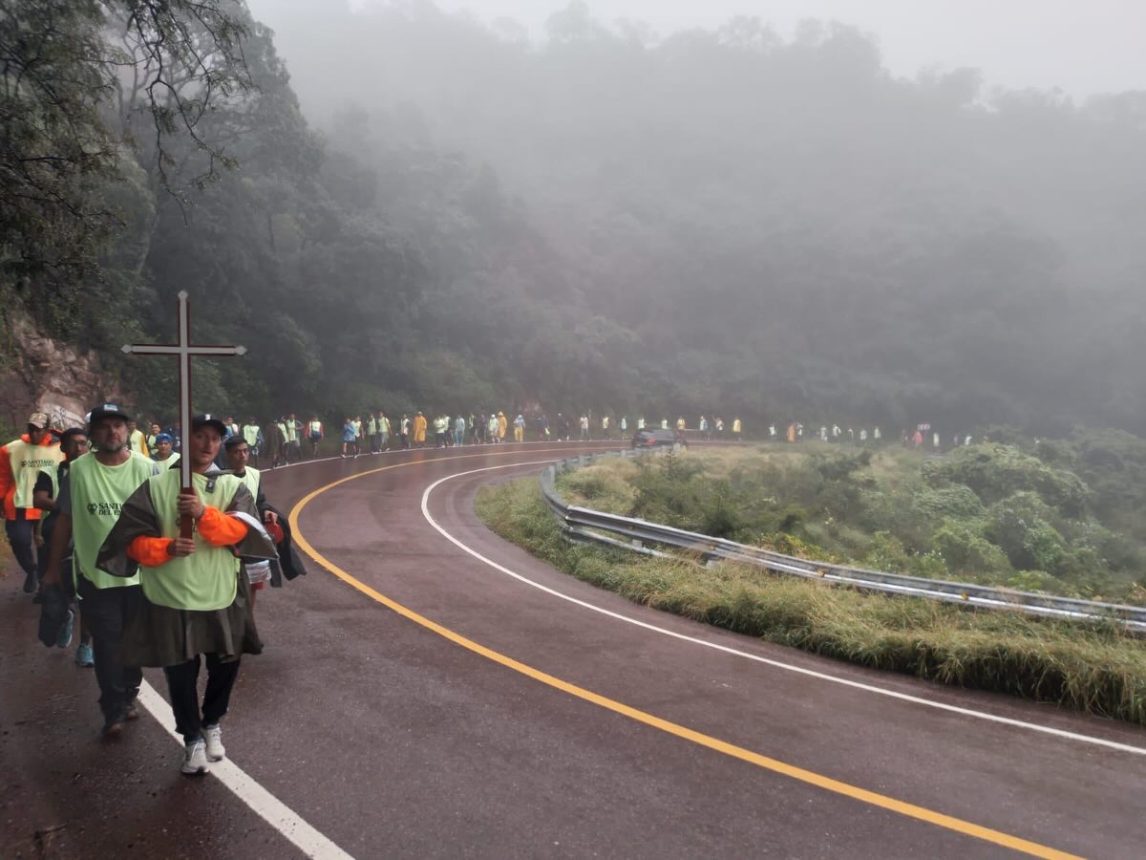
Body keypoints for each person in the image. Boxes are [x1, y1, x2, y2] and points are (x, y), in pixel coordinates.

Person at [98, 414, 275, 775]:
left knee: (226, 663)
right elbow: (130, 543)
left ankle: (211, 722)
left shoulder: (233, 486)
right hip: (171, 596)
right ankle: (192, 739)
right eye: (200, 436)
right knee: (180, 672)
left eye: (214, 438)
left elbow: (239, 533)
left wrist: (202, 513)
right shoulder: (156, 486)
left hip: (221, 591)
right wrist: (165, 548)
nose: (208, 444)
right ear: (185, 439)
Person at [41, 404, 158, 736]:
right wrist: (52, 569)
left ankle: (130, 692)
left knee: (134, 644)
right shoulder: (78, 471)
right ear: (92, 434)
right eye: (104, 426)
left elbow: (163, 517)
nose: (112, 432)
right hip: (96, 578)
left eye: (118, 425)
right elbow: (64, 521)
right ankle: (113, 708)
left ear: (128, 430)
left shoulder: (147, 469)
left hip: (140, 577)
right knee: (106, 645)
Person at [33, 427, 92, 663]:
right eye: (74, 443)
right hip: (58, 534)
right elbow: (39, 499)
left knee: (88, 596)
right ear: (63, 447)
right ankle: (64, 614)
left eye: (83, 443)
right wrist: (66, 506)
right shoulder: (51, 472)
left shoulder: (95, 471)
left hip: (88, 536)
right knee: (56, 591)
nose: (79, 448)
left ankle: (85, 646)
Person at [1, 411, 64, 593]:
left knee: (49, 544)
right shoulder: (11, 449)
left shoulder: (59, 448)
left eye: (39, 430)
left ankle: (48, 584)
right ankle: (31, 569)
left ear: (47, 430)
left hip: (48, 504)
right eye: (31, 429)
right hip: (20, 503)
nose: (34, 433)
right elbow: (3, 476)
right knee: (19, 540)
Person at [222, 435, 280, 617]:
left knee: (253, 586)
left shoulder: (254, 474)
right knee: (227, 585)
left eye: (245, 451)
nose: (242, 455)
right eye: (237, 452)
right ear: (228, 455)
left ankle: (248, 622)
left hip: (251, 537)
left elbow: (260, 501)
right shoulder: (220, 477)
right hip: (227, 539)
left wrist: (266, 511)